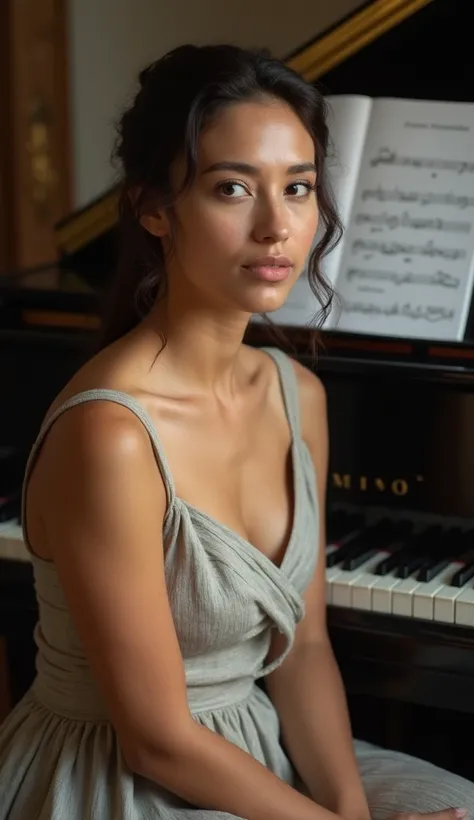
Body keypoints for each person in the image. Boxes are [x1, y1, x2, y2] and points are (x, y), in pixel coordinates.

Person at [0, 43, 472, 820]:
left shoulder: (298, 394)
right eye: (231, 189)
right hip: (120, 776)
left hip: (254, 741)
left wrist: (348, 810)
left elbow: (305, 650)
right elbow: (155, 740)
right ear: (154, 207)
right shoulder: (112, 437)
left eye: (298, 188)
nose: (276, 227)